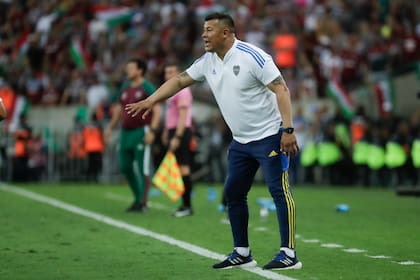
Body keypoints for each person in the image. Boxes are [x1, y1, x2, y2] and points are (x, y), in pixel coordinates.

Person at [126, 13, 302, 270]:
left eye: (208, 30)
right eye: (203, 30)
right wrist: (152, 100)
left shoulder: (252, 56)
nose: (203, 35)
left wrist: (288, 129)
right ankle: (242, 252)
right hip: (241, 142)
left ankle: (289, 254)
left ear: (225, 33)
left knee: (279, 191)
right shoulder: (208, 61)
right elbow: (179, 81)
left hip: (270, 136)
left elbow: (281, 89)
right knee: (233, 193)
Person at [105, 58, 161, 212]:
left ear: (140, 70)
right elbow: (118, 110)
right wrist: (110, 128)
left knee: (143, 168)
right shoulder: (124, 87)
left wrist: (153, 131)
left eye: (130, 68)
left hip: (141, 131)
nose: (127, 71)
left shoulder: (146, 87)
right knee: (125, 166)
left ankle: (142, 203)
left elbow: (157, 109)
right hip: (125, 132)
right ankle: (138, 197)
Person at [162, 62, 195, 217]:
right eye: (166, 72)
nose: (168, 75)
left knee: (184, 168)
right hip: (173, 130)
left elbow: (183, 116)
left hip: (181, 131)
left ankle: (187, 206)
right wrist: (166, 132)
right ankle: (185, 204)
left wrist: (177, 136)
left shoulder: (182, 91)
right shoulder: (171, 91)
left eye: (171, 72)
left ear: (178, 74)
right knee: (180, 168)